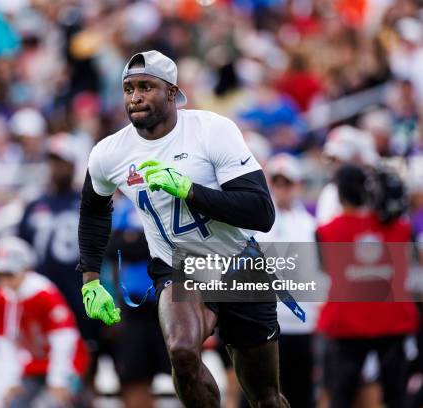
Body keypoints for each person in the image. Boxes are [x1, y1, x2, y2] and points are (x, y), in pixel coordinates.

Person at [77, 50, 288, 407]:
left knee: (265, 396)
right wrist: (91, 279)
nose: (135, 97)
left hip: (238, 264)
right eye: (128, 88)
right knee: (182, 352)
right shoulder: (109, 153)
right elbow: (94, 210)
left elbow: (261, 212)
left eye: (146, 86)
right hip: (179, 268)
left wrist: (191, 191)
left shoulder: (212, 130)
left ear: (173, 92)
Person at [316, 164, 419, 408]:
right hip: (393, 321)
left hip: (347, 324)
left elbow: (325, 270)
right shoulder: (400, 228)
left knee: (341, 396)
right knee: (396, 397)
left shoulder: (326, 231)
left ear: (339, 194)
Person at [18, 134, 101, 367]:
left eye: (61, 162)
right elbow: (22, 250)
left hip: (80, 296)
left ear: (74, 164)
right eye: (53, 162)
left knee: (84, 365)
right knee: (44, 363)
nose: (56, 168)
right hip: (43, 297)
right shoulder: (35, 204)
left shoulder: (89, 201)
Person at [0, 236, 89, 408]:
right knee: (13, 402)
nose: (4, 280)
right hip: (34, 364)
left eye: (9, 273)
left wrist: (58, 379)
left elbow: (64, 338)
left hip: (67, 362)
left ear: (24, 269)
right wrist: (10, 380)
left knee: (57, 402)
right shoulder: (1, 299)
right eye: (0, 274)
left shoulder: (44, 294)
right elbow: (3, 341)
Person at [256, 153, 321, 408]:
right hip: (270, 321)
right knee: (264, 390)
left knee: (301, 390)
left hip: (303, 322)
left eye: (287, 183)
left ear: (297, 186)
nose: (282, 189)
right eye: (277, 182)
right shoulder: (259, 223)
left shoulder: (310, 224)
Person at [106, 192, 171, 408]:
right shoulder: (123, 209)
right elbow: (111, 247)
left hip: (172, 304)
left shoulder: (169, 203)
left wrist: (135, 241)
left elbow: (175, 244)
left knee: (186, 371)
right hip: (134, 308)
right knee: (135, 377)